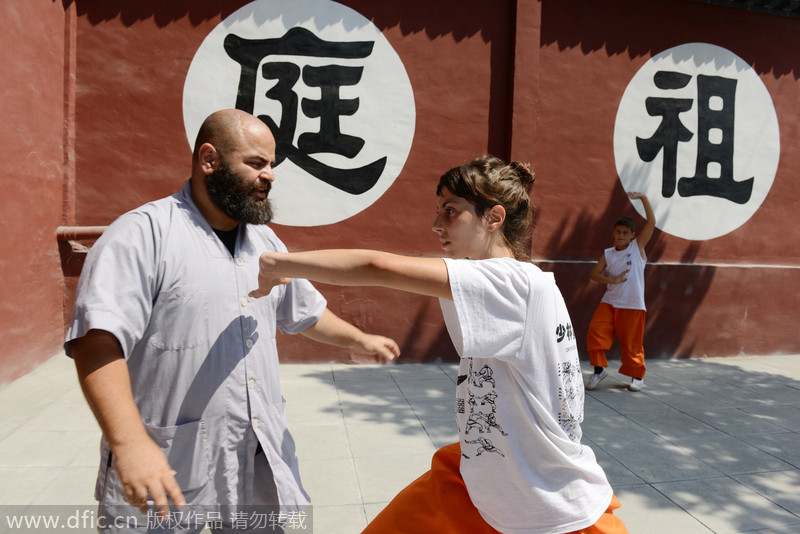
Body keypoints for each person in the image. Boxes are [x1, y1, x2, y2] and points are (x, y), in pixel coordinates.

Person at [250, 155, 628, 533]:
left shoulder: (508, 283)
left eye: (451, 211)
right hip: (489, 475)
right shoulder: (515, 280)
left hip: (542, 501)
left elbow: (377, 267)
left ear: (494, 218)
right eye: (439, 211)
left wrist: (278, 265)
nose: (436, 224)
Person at [65, 109, 400, 532]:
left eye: (272, 165)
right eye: (256, 163)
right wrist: (130, 444)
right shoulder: (141, 235)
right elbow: (96, 342)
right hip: (166, 464)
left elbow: (304, 311)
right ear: (209, 159)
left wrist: (358, 339)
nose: (269, 176)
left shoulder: (263, 240)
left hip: (253, 457)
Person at [585, 193, 655, 392]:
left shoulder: (637, 248)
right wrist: (612, 280)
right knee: (595, 332)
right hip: (609, 302)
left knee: (632, 344)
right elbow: (595, 274)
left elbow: (652, 222)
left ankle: (637, 377)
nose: (621, 235)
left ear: (632, 235)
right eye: (618, 232)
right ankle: (599, 371)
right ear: (614, 233)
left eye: (625, 232)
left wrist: (643, 198)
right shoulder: (608, 253)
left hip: (632, 304)